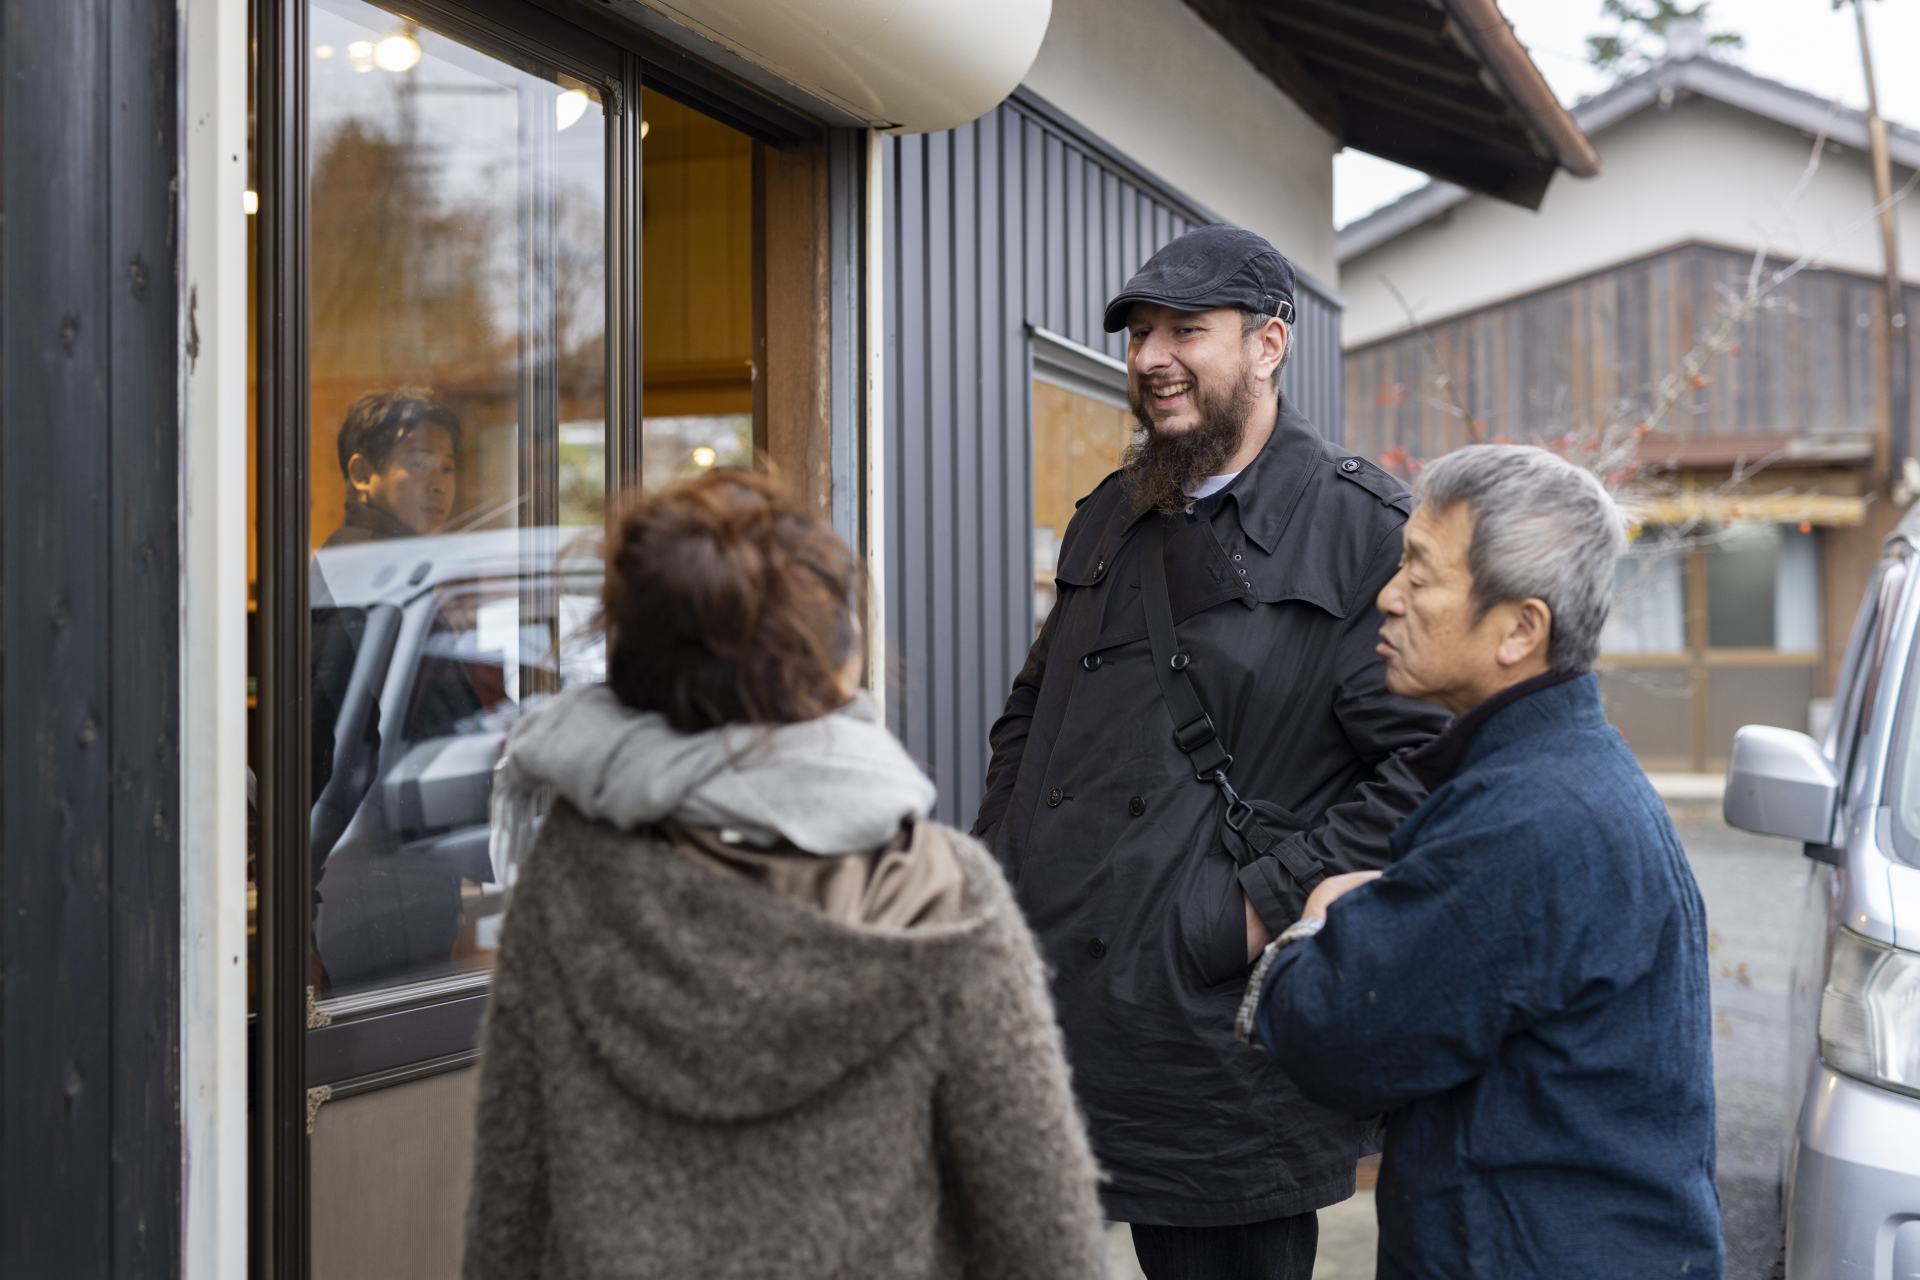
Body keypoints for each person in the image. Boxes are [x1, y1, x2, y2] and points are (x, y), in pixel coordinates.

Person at [464, 470, 1108, 1280]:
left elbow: (509, 1203)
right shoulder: (944, 894)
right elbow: (1045, 1233)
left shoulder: (571, 870)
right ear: (836, 666)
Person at [975, 223, 1448, 1278]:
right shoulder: (1109, 515)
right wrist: (1001, 861)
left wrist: (1250, 909)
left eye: (1187, 328)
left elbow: (1429, 766)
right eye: (1142, 331)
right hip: (1046, 1000)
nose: (1151, 356)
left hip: (1210, 1030)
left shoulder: (1363, 528)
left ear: (1270, 345)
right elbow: (1030, 713)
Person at [1236, 444, 1724, 1278]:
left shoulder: (1526, 818)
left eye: (1420, 575)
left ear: (1519, 629)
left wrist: (1318, 917)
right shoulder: (1559, 774)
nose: (1387, 599)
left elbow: (1335, 1030)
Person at [324, 386, 462, 545]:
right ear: (362, 474)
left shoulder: (401, 547)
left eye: (447, 468)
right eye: (419, 464)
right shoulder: (360, 554)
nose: (440, 486)